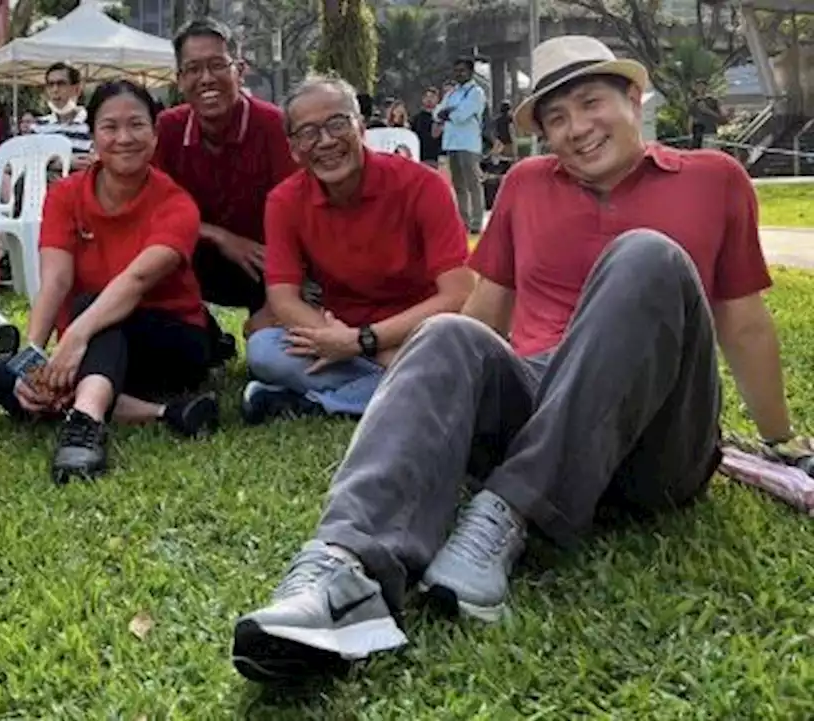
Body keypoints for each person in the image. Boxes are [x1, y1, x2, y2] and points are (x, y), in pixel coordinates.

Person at [231, 35, 799, 684]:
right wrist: (424, 395)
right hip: (539, 404)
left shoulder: (713, 179)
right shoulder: (526, 185)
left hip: (655, 438)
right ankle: (343, 572)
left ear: (635, 99)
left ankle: (508, 511)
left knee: (648, 255)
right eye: (556, 118)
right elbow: (480, 317)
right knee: (444, 336)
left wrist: (779, 438)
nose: (577, 129)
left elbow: (745, 323)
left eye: (591, 104)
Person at [0, 80, 221, 485]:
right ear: (93, 135)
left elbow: (135, 281)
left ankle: (85, 421)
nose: (124, 138)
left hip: (170, 340)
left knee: (94, 309)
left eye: (136, 125)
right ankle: (164, 413)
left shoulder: (176, 203)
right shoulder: (66, 195)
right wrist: (32, 359)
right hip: (93, 351)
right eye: (110, 127)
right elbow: (56, 280)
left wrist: (75, 335)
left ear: (154, 133)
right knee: (5, 376)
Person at [242, 76, 473, 424]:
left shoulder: (423, 185)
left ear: (361, 126)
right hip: (345, 337)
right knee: (264, 350)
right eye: (308, 133)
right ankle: (409, 391)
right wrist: (346, 342)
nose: (325, 141)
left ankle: (318, 403)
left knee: (454, 361)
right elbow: (283, 299)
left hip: (417, 334)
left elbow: (458, 294)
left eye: (337, 123)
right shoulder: (284, 201)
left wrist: (364, 342)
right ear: (293, 148)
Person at [153, 18, 298, 351]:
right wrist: (219, 236)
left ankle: (268, 320)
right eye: (193, 69)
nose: (206, 79)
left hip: (270, 261)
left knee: (272, 350)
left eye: (217, 65)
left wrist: (276, 305)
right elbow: (153, 208)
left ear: (240, 70)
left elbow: (300, 215)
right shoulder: (168, 128)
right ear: (179, 79)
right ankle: (201, 333)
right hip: (196, 258)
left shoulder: (273, 125)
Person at [436, 58, 486, 233]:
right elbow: (437, 112)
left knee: (473, 183)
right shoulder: (452, 93)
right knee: (458, 185)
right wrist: (447, 112)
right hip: (452, 143)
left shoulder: (476, 92)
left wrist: (448, 113)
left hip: (469, 143)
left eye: (462, 70)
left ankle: (477, 222)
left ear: (471, 72)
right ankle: (463, 222)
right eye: (456, 70)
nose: (458, 74)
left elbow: (462, 115)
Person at [32, 62, 93, 171]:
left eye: (61, 84)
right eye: (50, 85)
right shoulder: (38, 126)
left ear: (77, 89)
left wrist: (50, 160)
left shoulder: (92, 124)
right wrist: (61, 163)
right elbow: (26, 160)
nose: (55, 90)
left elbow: (93, 162)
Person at [411, 87, 443, 168]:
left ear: (438, 99)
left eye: (432, 97)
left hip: (437, 159)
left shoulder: (441, 117)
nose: (429, 99)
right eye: (427, 97)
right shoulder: (417, 118)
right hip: (420, 158)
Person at [690, 80, 727, 150]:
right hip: (698, 135)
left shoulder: (713, 101)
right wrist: (690, 134)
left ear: (706, 88)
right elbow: (691, 119)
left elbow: (724, 118)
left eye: (702, 86)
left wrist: (708, 111)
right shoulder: (693, 102)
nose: (701, 89)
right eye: (698, 87)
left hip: (710, 134)